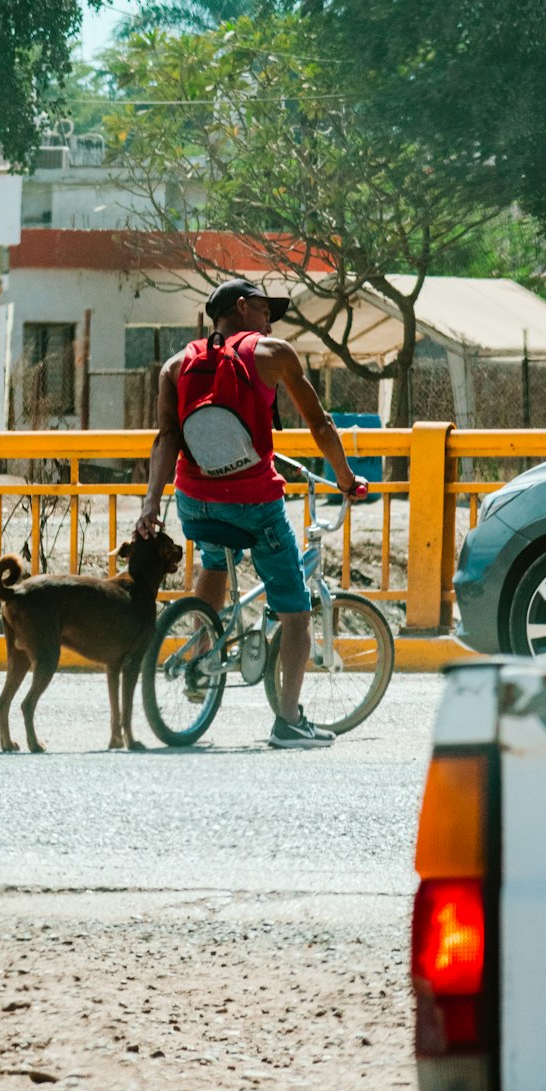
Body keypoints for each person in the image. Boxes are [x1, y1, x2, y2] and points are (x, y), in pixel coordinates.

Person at [135, 277, 368, 749]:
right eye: (265, 310)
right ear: (242, 307)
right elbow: (320, 423)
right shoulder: (273, 353)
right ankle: (289, 721)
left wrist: (152, 504)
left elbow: (167, 439)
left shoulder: (177, 364)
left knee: (216, 560)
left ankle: (201, 663)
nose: (270, 320)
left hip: (194, 500)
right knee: (297, 613)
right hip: (255, 502)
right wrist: (346, 480)